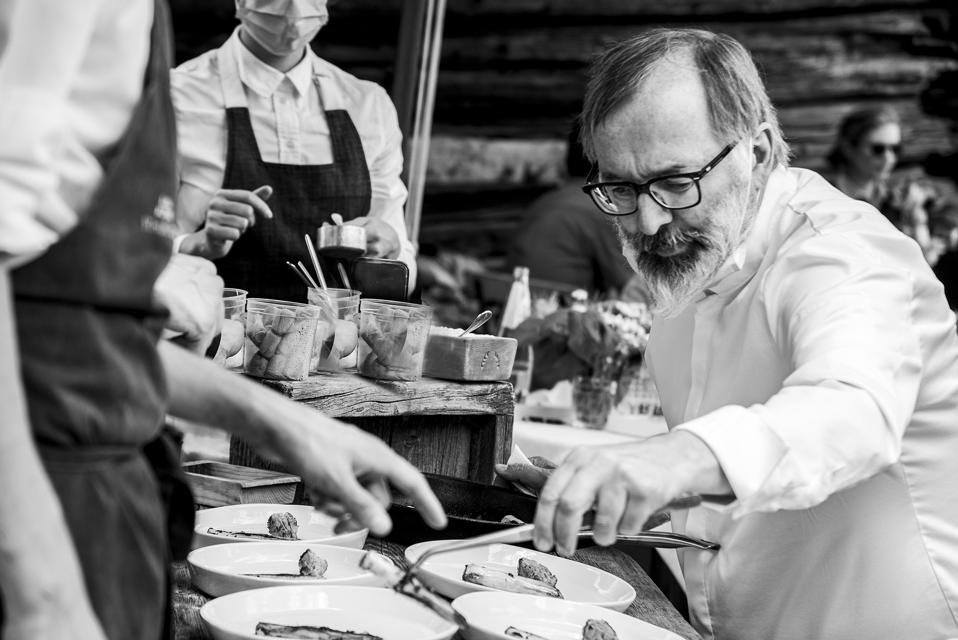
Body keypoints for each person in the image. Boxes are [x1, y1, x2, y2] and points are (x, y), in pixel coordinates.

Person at [0, 2, 444, 639]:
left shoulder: (363, 102)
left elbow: (82, 331)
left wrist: (287, 425)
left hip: (120, 450)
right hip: (43, 485)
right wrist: (41, 593)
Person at [499, 28, 958, 639]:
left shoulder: (843, 253)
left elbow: (855, 407)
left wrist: (675, 457)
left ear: (758, 153)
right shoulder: (694, 260)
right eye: (621, 188)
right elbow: (742, 474)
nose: (649, 220)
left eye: (675, 182)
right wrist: (619, 480)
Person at [171, 0, 416, 301]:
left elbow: (402, 267)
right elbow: (134, 245)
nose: (294, 8)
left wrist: (391, 249)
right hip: (216, 328)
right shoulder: (175, 98)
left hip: (337, 331)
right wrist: (195, 245)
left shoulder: (369, 106)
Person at [508, 121, 639, 299]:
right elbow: (632, 285)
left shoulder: (545, 201)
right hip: (562, 308)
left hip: (515, 303)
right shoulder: (600, 206)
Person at [825, 105, 943, 264]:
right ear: (848, 148)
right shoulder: (826, 198)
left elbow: (924, 262)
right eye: (878, 149)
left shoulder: (896, 200)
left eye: (895, 149)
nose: (889, 158)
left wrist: (916, 220)